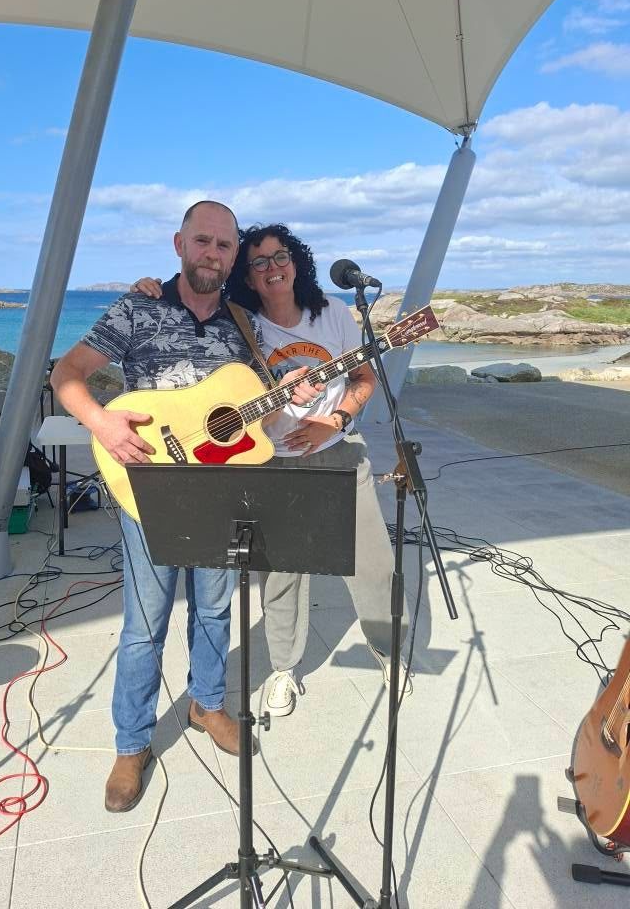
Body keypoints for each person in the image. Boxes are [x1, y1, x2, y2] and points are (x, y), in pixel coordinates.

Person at [51, 202, 320, 813]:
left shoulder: (242, 323)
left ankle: (207, 703)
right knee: (144, 624)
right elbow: (67, 374)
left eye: (224, 246)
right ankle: (131, 743)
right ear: (179, 244)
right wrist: (102, 423)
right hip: (147, 486)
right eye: (203, 241)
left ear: (234, 255)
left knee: (216, 608)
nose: (212, 254)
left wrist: (288, 397)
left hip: (219, 490)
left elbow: (252, 414)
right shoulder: (138, 307)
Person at [133, 223, 407, 719]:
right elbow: (191, 309)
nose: (272, 268)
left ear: (296, 261)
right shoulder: (241, 322)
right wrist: (148, 287)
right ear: (247, 276)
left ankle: (388, 651)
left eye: (280, 256)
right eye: (258, 262)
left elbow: (364, 378)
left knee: (372, 563)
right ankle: (285, 668)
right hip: (270, 460)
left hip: (338, 451)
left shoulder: (333, 314)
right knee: (281, 574)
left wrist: (335, 421)